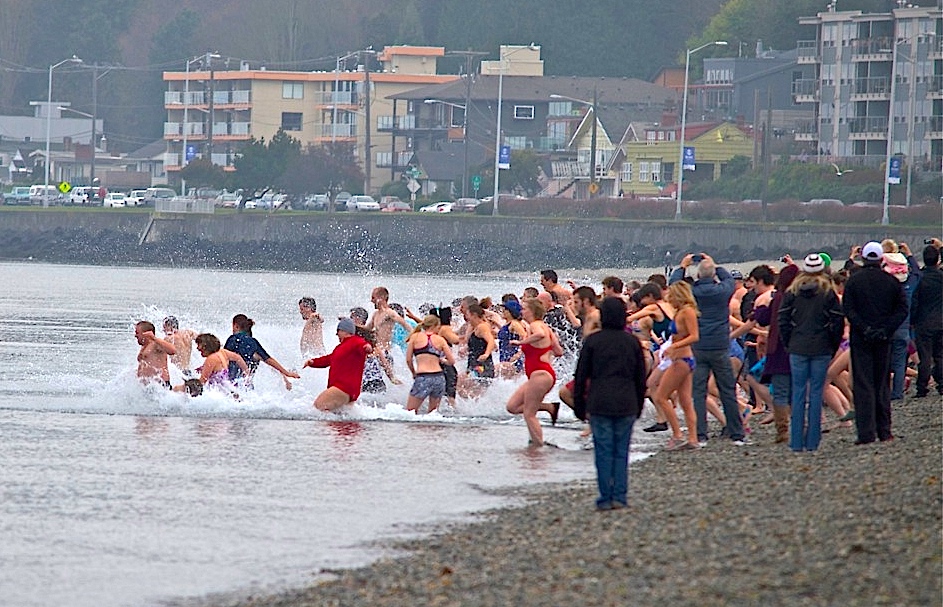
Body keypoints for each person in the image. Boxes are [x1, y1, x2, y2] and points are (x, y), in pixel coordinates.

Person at [572, 296, 647, 511]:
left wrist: (579, 406)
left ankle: (605, 496)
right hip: (626, 402)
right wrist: (639, 405)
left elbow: (581, 376)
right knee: (621, 451)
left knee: (603, 451)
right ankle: (620, 496)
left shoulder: (593, 342)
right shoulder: (632, 342)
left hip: (599, 402)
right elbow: (640, 378)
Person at [669, 253, 746, 445]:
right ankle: (737, 433)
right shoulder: (723, 291)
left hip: (699, 346)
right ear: (713, 275)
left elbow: (674, 284)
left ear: (698, 275)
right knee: (727, 390)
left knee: (698, 392)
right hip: (720, 345)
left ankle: (701, 434)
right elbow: (728, 279)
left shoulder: (692, 292)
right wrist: (714, 264)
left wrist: (683, 266)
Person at [843, 241, 909, 445]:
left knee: (863, 384)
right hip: (884, 339)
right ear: (881, 259)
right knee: (882, 384)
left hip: (861, 338)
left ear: (863, 258)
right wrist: (885, 329)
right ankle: (884, 430)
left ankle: (866, 433)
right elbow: (902, 309)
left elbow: (849, 309)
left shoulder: (854, 281)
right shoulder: (891, 282)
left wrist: (864, 328)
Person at [778, 254, 845, 452]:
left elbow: (783, 320)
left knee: (798, 393)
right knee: (816, 393)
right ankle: (813, 441)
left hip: (798, 346)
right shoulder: (828, 292)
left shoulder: (792, 292)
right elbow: (837, 322)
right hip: (821, 347)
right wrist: (833, 345)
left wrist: (789, 343)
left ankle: (796, 442)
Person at [506, 298, 564, 446]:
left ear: (532, 311)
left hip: (540, 375)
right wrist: (545, 352)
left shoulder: (535, 325)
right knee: (512, 407)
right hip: (541, 374)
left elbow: (540, 335)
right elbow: (559, 351)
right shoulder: (546, 328)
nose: (521, 311)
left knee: (529, 414)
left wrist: (521, 342)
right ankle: (550, 407)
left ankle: (538, 446)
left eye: (524, 309)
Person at [650, 282, 701, 450]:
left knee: (661, 397)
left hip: (682, 360)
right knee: (685, 401)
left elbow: (694, 336)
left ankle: (678, 434)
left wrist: (674, 347)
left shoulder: (687, 312)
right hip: (680, 359)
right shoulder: (679, 312)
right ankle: (692, 438)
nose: (668, 298)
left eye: (671, 295)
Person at [304, 318, 373, 411]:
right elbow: (329, 359)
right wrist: (313, 362)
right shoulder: (341, 347)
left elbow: (362, 345)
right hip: (346, 390)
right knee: (335, 415)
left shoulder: (355, 341)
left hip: (344, 388)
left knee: (318, 407)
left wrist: (367, 347)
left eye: (338, 331)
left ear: (345, 331)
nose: (337, 335)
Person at [224, 314, 300, 389]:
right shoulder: (253, 342)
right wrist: (286, 373)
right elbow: (269, 360)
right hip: (247, 387)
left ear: (236, 326)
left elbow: (222, 357)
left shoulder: (233, 340)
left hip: (231, 385)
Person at [405, 315, 455, 414]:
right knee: (433, 414)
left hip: (423, 377)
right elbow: (452, 361)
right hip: (439, 378)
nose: (439, 330)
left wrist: (413, 373)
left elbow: (408, 360)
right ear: (434, 326)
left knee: (410, 412)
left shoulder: (415, 337)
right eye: (438, 327)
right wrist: (442, 360)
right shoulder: (440, 340)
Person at [911, 243, 943, 398]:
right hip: (941, 320)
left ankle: (922, 386)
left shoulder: (920, 278)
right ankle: (942, 383)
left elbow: (915, 301)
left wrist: (912, 319)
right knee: (940, 355)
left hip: (923, 321)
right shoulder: (941, 277)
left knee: (924, 356)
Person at [175, 333, 249, 395]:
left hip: (218, 392)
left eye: (198, 345)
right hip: (226, 388)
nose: (197, 348)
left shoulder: (211, 359)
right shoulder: (222, 352)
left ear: (205, 346)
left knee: (177, 389)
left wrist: (183, 387)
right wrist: (247, 373)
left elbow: (202, 382)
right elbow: (238, 358)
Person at [366, 287, 410, 383]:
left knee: (391, 381)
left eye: (373, 297)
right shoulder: (375, 314)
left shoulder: (389, 313)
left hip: (385, 353)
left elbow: (405, 325)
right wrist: (351, 325)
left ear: (381, 298)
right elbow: (366, 330)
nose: (371, 300)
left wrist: (415, 337)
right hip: (377, 353)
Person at [135, 321, 177, 387]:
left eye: (137, 333)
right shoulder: (144, 346)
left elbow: (173, 350)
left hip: (160, 385)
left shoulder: (156, 344)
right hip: (148, 386)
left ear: (146, 333)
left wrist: (154, 338)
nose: (135, 335)